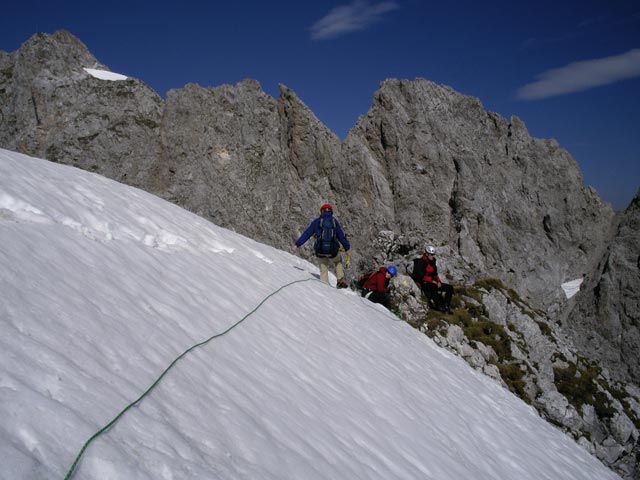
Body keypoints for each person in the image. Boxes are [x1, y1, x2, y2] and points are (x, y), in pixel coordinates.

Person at [292, 203, 351, 288]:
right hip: (333, 251)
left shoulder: (317, 222)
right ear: (331, 212)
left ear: (322, 212)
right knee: (338, 261)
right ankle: (340, 281)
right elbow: (341, 236)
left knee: (323, 268)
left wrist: (297, 245)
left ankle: (324, 286)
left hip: (320, 251)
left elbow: (307, 234)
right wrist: (347, 248)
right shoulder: (334, 222)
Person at [413, 246, 453, 312]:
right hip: (424, 283)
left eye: (433, 255)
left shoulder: (432, 262)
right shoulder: (421, 262)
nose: (432, 256)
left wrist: (438, 281)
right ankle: (439, 306)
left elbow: (435, 274)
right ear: (426, 254)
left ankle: (446, 305)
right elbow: (420, 276)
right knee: (433, 287)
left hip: (432, 281)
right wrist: (432, 281)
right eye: (431, 254)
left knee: (450, 288)